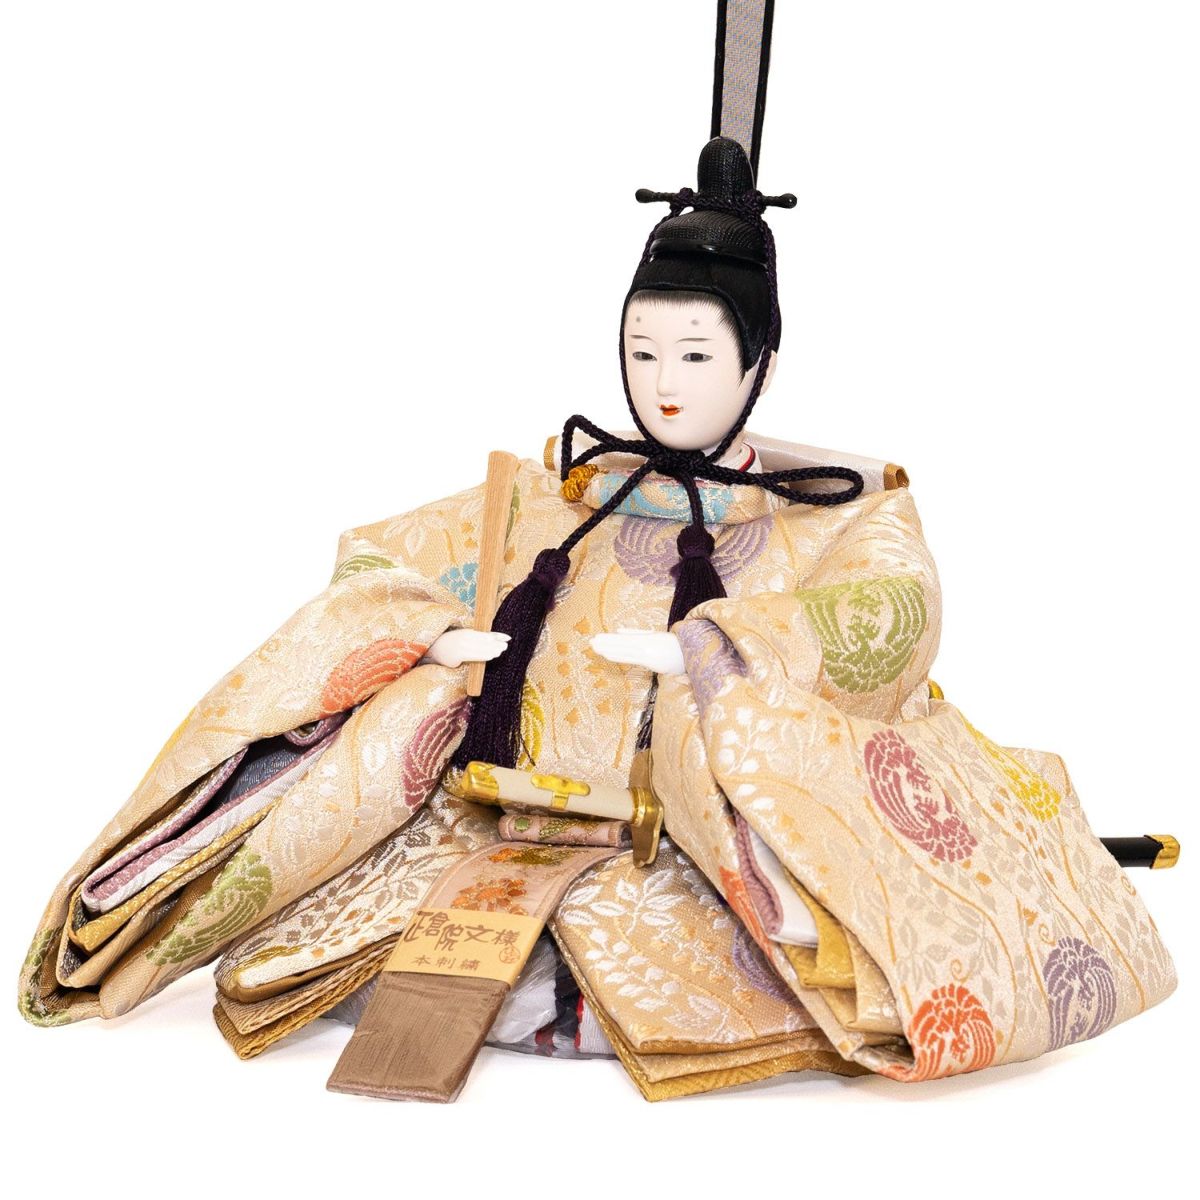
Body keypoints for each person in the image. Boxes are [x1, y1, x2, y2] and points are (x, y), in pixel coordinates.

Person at [20, 139, 1173, 1099]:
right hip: (495, 817)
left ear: (761, 364)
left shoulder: (837, 514)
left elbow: (895, 613)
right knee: (396, 779)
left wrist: (724, 651)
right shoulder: (563, 491)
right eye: (642, 350)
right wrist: (430, 636)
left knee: (746, 784)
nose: (665, 382)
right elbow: (388, 557)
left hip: (690, 849)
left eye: (697, 354)